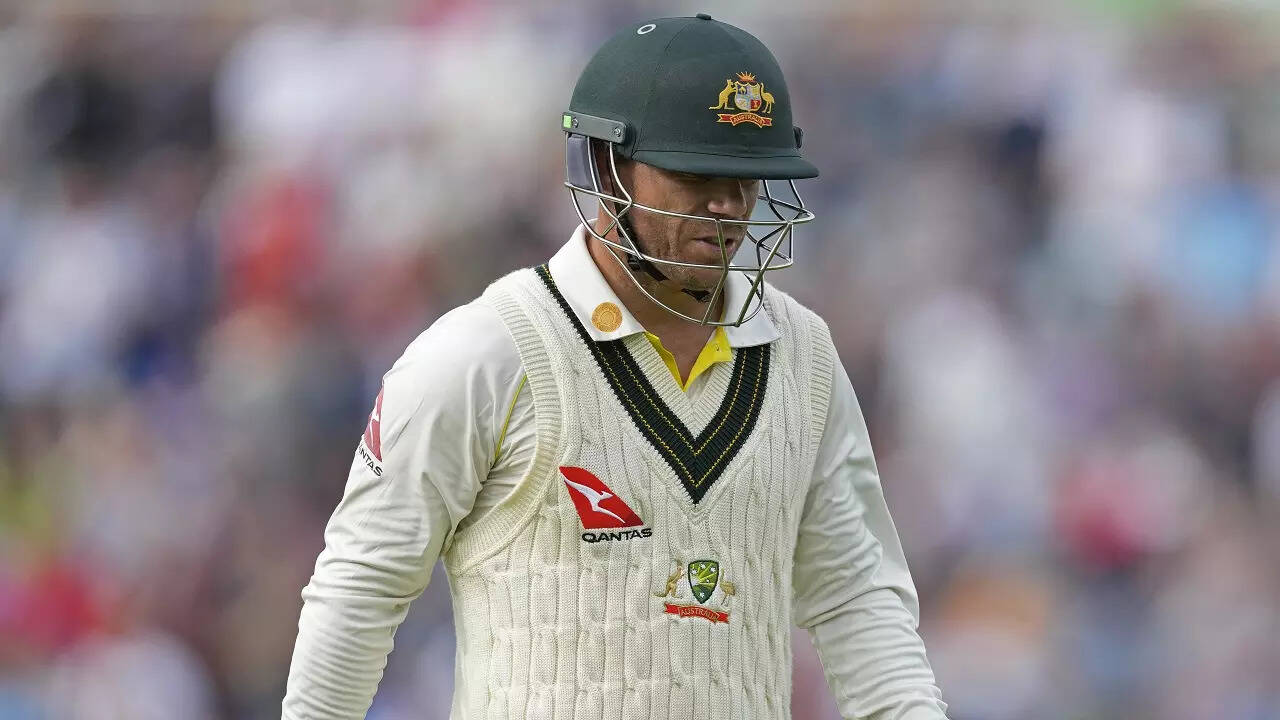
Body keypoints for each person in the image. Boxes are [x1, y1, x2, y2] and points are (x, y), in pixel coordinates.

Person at [282, 13, 949, 720]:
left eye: (748, 176)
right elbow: (360, 590)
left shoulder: (803, 355)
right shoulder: (485, 352)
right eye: (696, 172)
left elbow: (857, 600)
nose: (728, 205)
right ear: (604, 166)